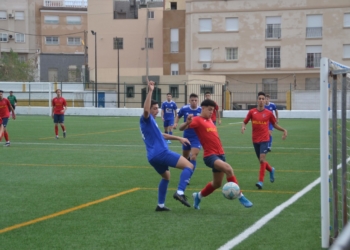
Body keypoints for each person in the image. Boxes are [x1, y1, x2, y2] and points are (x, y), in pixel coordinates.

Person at [179, 99, 253, 210]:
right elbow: (181, 128)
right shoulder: (197, 120)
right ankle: (241, 196)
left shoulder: (210, 121)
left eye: (213, 110)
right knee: (228, 169)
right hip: (210, 156)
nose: (211, 112)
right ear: (203, 108)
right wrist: (187, 123)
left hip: (220, 154)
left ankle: (198, 196)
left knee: (217, 184)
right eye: (209, 109)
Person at [140, 80, 194, 211]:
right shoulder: (145, 118)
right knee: (189, 165)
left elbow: (162, 135)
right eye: (154, 108)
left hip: (152, 157)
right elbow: (146, 110)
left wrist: (178, 138)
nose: (157, 111)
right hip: (161, 153)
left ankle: (160, 205)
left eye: (157, 108)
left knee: (166, 177)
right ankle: (180, 192)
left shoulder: (152, 122)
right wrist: (151, 90)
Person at [241, 91, 287, 189]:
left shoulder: (269, 113)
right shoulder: (252, 112)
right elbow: (245, 122)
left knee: (262, 160)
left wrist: (283, 130)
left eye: (263, 99)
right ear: (257, 100)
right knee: (261, 161)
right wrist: (243, 127)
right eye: (260, 99)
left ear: (265, 100)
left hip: (265, 139)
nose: (261, 100)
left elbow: (274, 124)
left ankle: (260, 182)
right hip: (255, 139)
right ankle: (271, 170)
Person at [174, 93, 202, 183]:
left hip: (197, 137)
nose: (194, 102)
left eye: (195, 100)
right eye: (192, 100)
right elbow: (178, 116)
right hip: (186, 136)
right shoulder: (185, 109)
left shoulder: (201, 110)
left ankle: (188, 177)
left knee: (193, 156)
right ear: (189, 101)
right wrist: (175, 123)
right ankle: (187, 169)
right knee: (185, 158)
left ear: (197, 101)